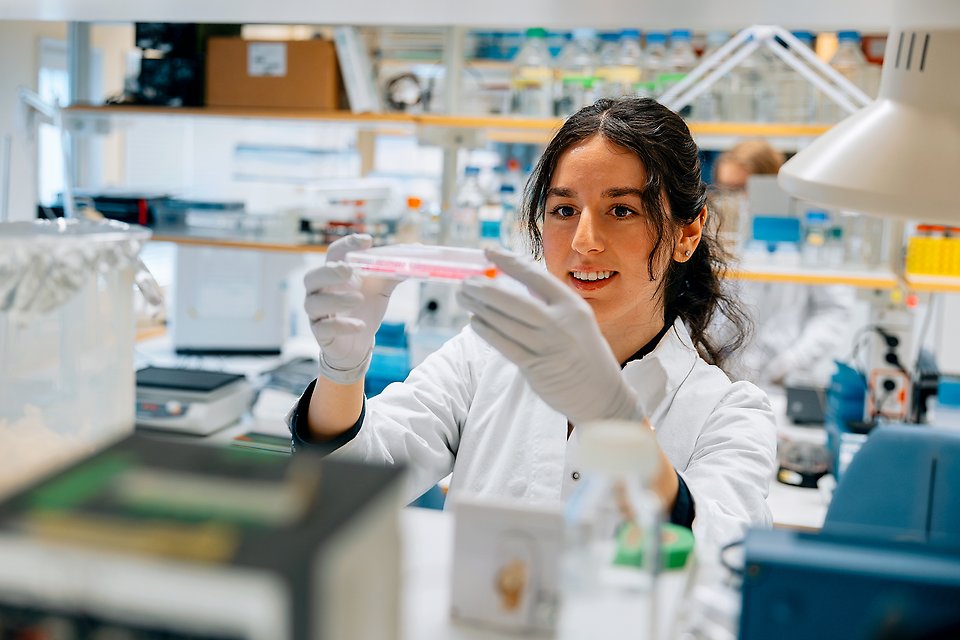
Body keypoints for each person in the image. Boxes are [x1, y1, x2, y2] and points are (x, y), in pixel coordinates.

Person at [288, 97, 777, 547]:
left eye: (621, 210)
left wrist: (615, 420)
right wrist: (341, 370)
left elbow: (723, 557)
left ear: (686, 235)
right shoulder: (484, 358)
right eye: (564, 209)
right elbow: (343, 488)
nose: (584, 241)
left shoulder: (728, 414)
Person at [713, 139, 856, 386]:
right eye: (726, 190)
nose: (732, 201)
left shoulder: (809, 233)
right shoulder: (721, 235)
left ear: (771, 186)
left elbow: (835, 310)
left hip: (784, 380)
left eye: (741, 189)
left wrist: (793, 359)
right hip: (726, 377)